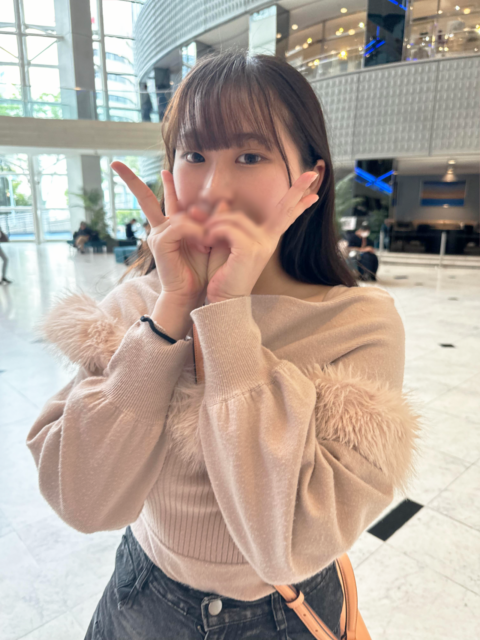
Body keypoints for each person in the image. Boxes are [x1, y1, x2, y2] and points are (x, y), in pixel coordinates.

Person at [27, 52, 420, 640]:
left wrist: (227, 314)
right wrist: (170, 313)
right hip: (141, 597)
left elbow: (286, 546)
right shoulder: (135, 306)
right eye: (194, 155)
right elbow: (82, 500)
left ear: (309, 179)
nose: (213, 188)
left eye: (250, 156)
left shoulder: (357, 324)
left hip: (282, 616)